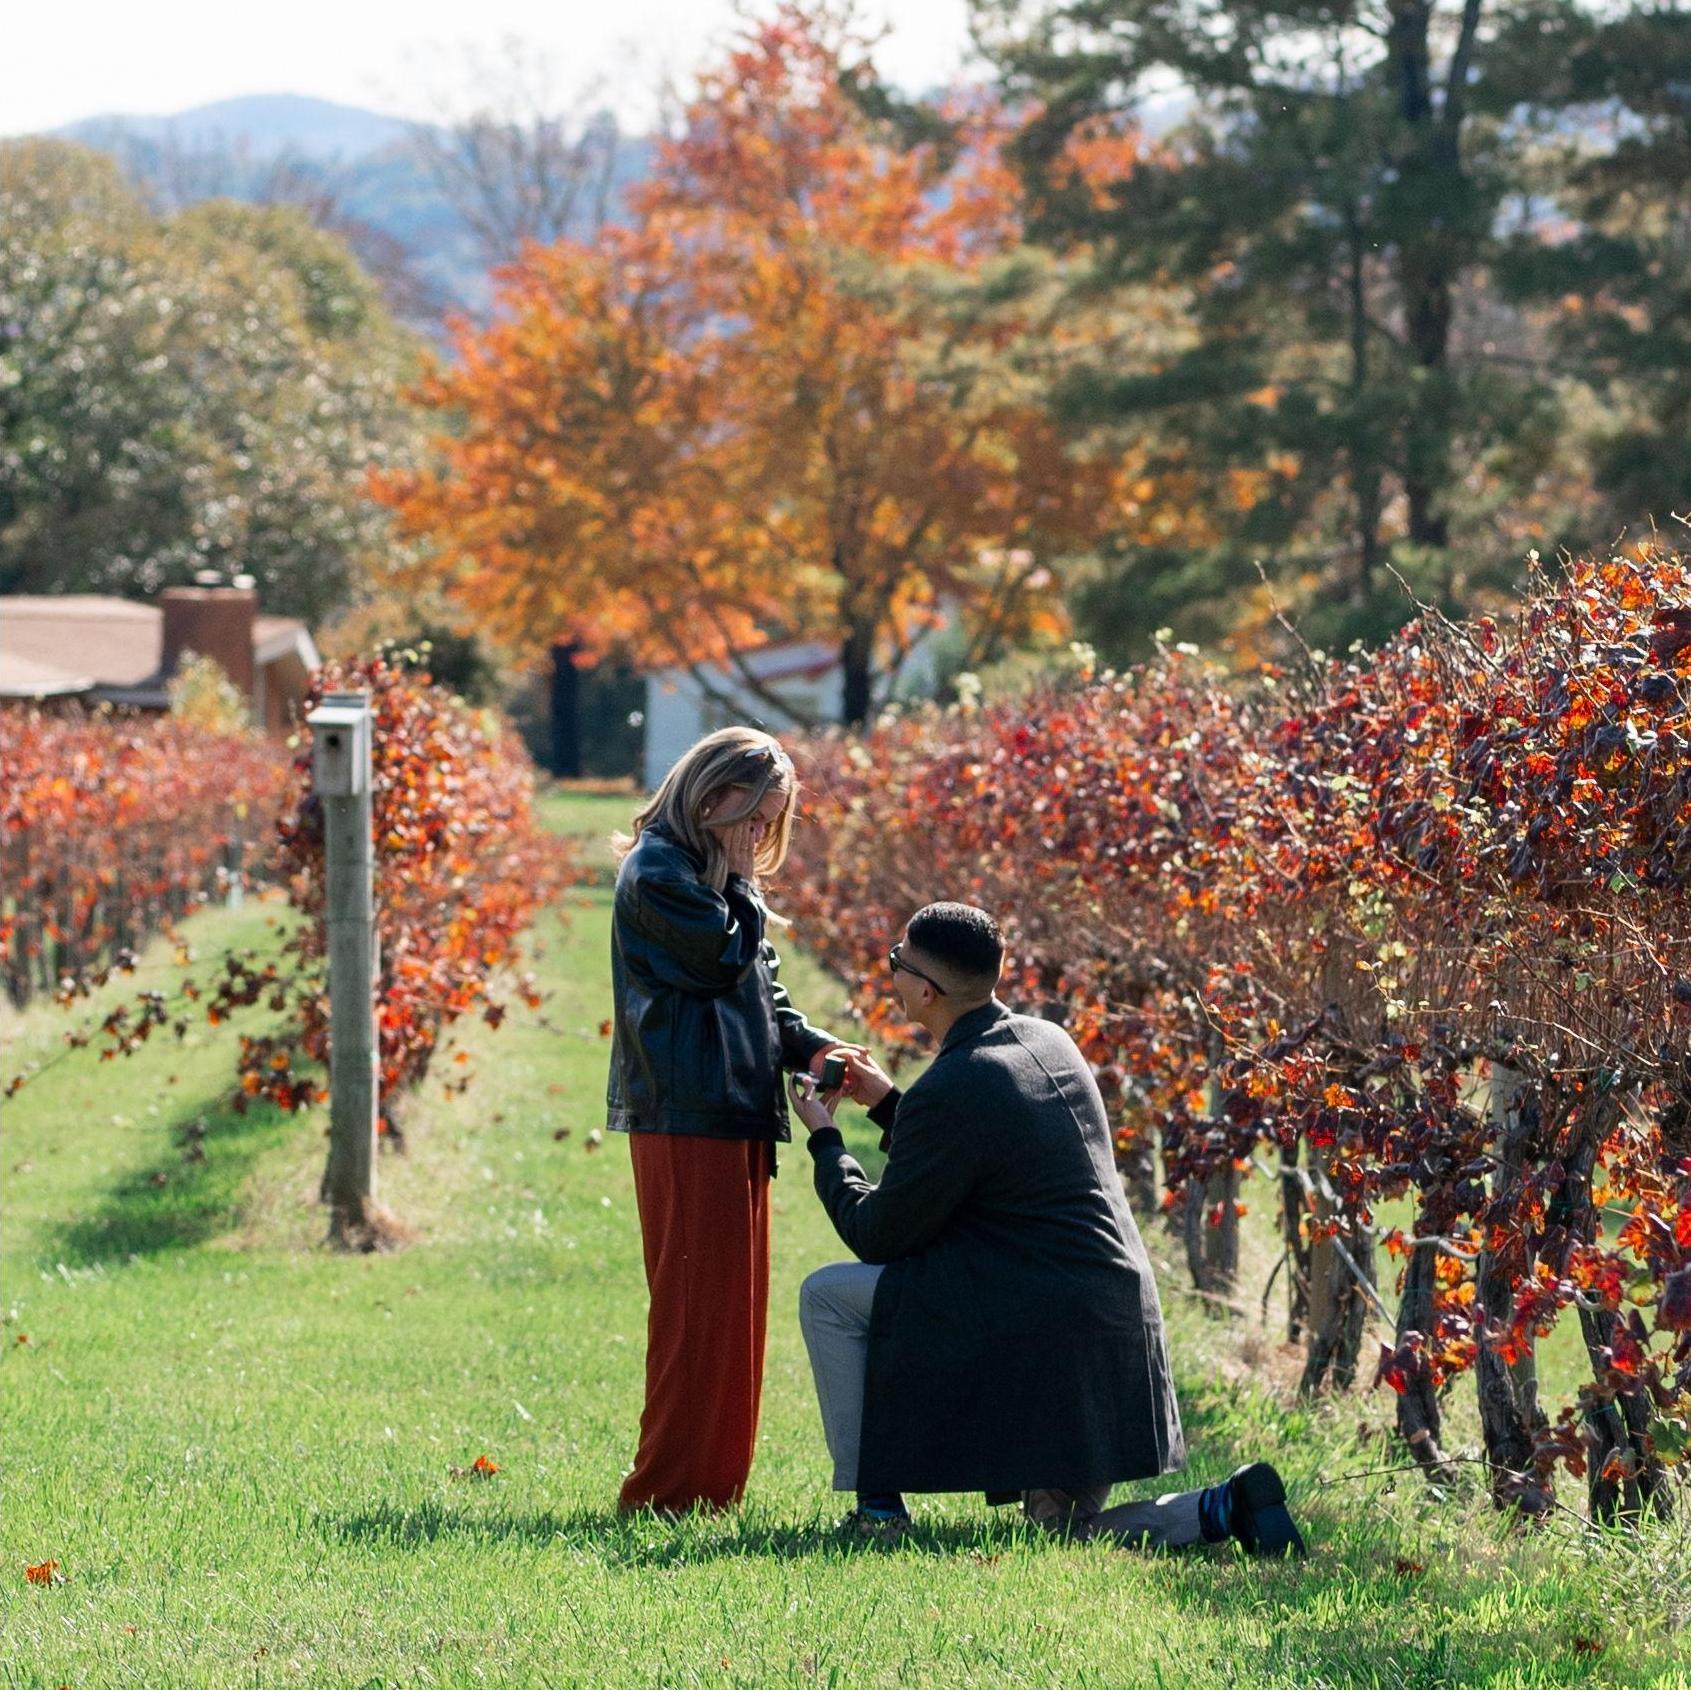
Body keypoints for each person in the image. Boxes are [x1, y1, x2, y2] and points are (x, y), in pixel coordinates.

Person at [789, 901, 1306, 1555]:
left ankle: (878, 1509)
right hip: (1109, 1316)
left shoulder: (953, 1085)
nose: (890, 971)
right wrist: (894, 1105)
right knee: (1058, 1530)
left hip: (1041, 1334)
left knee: (828, 1295)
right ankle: (1221, 1506)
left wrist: (826, 1140)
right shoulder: (1047, 1040)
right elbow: (977, 1151)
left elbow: (877, 1235)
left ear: (924, 990)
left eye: (897, 961)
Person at [607, 727, 861, 1514]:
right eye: (753, 817)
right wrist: (744, 884)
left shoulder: (708, 875)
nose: (758, 836)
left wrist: (817, 1049)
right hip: (688, 1112)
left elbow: (762, 994)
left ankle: (712, 1489)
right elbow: (720, 960)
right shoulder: (660, 872)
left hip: (731, 1109)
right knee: (695, 1312)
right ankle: (665, 1492)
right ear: (710, 795)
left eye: (769, 823)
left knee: (730, 1316)